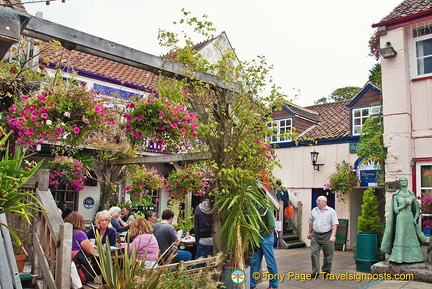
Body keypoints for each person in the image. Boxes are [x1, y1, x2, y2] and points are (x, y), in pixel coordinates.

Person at [381, 177, 426, 263]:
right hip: (400, 218)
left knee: (411, 237)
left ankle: (414, 257)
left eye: (405, 180)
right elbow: (395, 210)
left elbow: (416, 209)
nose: (404, 182)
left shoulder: (411, 195)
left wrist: (415, 218)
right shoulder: (396, 195)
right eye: (402, 180)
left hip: (409, 217)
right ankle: (398, 257)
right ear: (399, 183)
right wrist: (404, 206)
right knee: (400, 237)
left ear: (407, 182)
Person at [307, 195, 339, 277]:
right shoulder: (314, 210)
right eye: (317, 201)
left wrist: (333, 235)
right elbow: (310, 222)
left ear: (325, 202)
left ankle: (326, 272)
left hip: (327, 235)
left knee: (328, 255)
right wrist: (309, 233)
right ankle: (315, 272)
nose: (318, 202)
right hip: (315, 235)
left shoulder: (331, 211)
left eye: (320, 201)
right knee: (314, 253)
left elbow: (334, 224)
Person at [250, 201, 279, 289]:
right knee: (255, 262)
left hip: (266, 238)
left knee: (270, 262)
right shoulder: (255, 206)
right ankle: (252, 284)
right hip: (258, 238)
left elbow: (271, 226)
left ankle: (273, 285)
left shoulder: (267, 208)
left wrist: (261, 236)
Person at [65, 211, 97, 286]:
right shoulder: (79, 234)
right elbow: (91, 251)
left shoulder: (64, 232)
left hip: (67, 260)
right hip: (77, 263)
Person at [194, 196, 213, 265]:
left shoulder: (198, 209)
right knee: (215, 262)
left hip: (203, 239)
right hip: (216, 238)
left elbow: (196, 227)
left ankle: (196, 275)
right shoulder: (216, 207)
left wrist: (197, 242)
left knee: (198, 263)